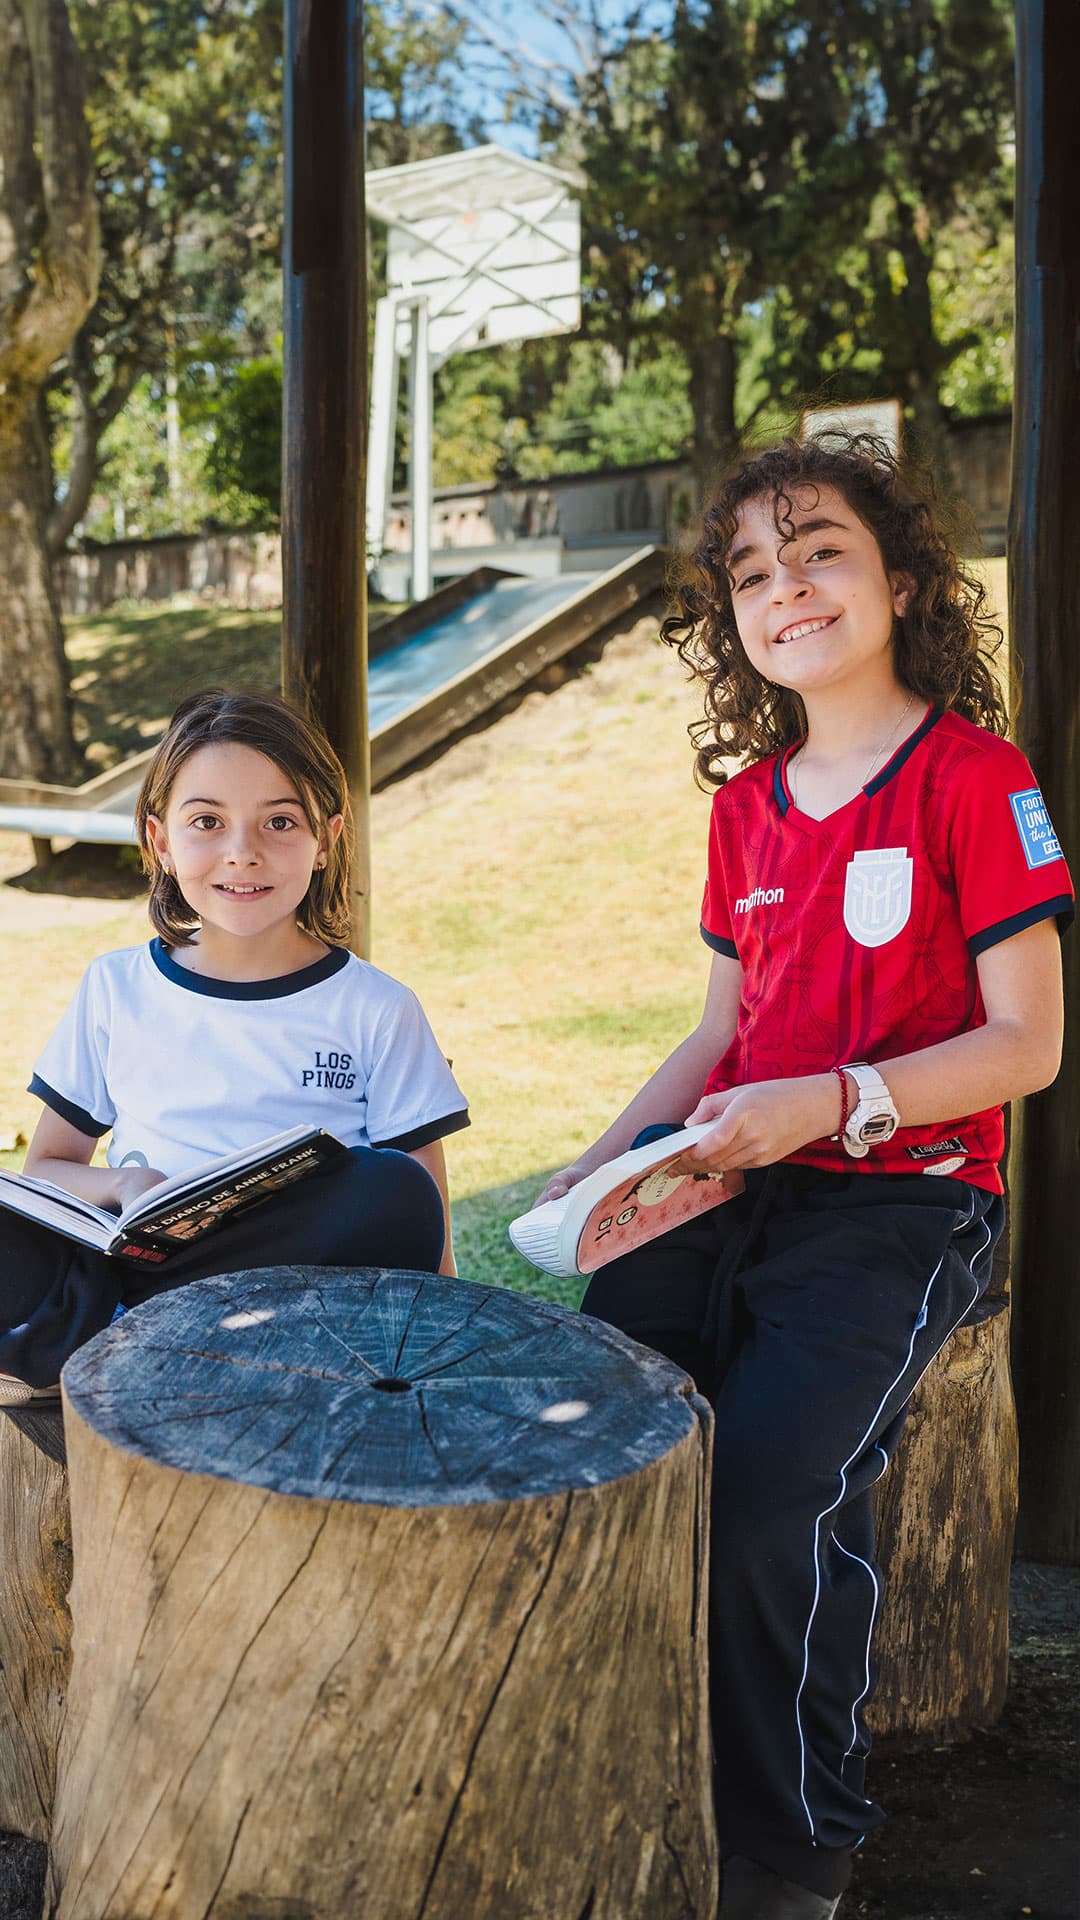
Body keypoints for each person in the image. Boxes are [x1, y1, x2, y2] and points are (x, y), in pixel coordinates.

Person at [537, 435, 1072, 1919]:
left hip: (908, 1201)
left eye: (821, 549)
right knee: (598, 1431)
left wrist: (836, 1105)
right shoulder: (744, 812)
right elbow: (718, 1036)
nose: (789, 587)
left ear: (900, 581)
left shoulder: (976, 778)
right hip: (733, 1183)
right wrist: (599, 1173)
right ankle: (602, 1772)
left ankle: (793, 1848)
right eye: (753, 572)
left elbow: (1026, 1045)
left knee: (775, 1493)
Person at [0, 688, 468, 1406]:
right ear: (160, 841)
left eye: (279, 821)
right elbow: (48, 1170)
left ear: (326, 840)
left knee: (392, 1189)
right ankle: (108, 1343)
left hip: (296, 1292)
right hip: (138, 1279)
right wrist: (126, 1187)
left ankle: (117, 1353)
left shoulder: (377, 1008)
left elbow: (423, 1221)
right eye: (207, 822)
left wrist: (443, 1341)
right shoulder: (116, 987)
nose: (242, 852)